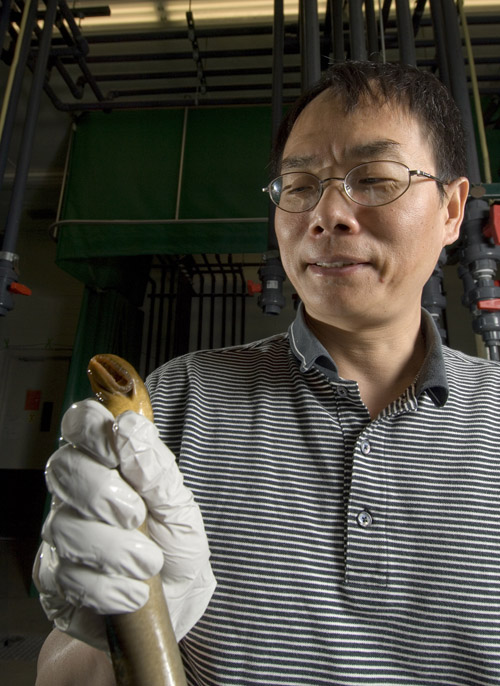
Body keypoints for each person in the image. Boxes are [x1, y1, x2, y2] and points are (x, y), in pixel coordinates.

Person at [34, 59, 500, 686]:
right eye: (300, 184)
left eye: (375, 178)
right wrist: (122, 627)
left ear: (451, 209)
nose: (327, 214)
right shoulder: (173, 404)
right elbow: (57, 676)